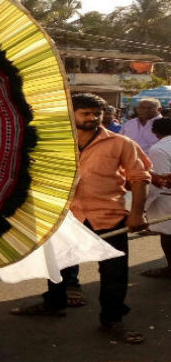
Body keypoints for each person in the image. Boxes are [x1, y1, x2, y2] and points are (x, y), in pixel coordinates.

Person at [11, 93, 152, 345]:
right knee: (58, 266)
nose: (92, 118)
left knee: (114, 273)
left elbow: (140, 178)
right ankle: (53, 303)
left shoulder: (121, 143)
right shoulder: (56, 143)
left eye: (96, 113)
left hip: (109, 215)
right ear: (71, 114)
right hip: (65, 217)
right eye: (85, 113)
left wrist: (137, 213)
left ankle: (112, 320)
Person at [142, 117, 171, 278]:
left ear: (155, 133)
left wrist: (143, 207)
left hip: (167, 199)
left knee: (167, 235)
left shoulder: (159, 149)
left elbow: (162, 181)